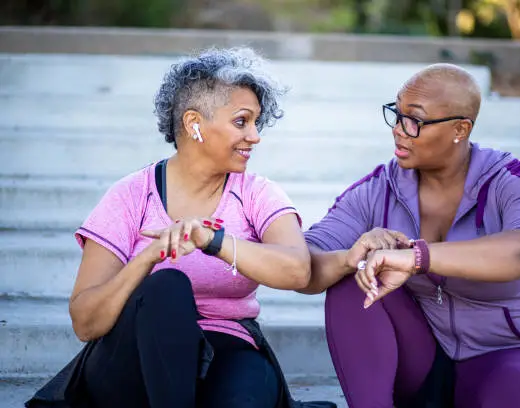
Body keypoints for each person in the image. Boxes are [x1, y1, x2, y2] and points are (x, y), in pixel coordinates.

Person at [26, 47, 335, 408]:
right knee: (168, 286)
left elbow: (298, 271)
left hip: (227, 345)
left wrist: (213, 240)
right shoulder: (130, 195)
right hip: (133, 359)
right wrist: (149, 259)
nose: (255, 136)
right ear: (193, 123)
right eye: (241, 121)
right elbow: (85, 322)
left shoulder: (258, 193)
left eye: (256, 122)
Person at [300, 63, 520, 408]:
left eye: (415, 121)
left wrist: (417, 258)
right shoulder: (379, 189)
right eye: (396, 114)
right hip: (422, 362)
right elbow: (303, 262)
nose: (398, 130)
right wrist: (346, 257)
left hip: (505, 359)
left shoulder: (509, 182)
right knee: (351, 280)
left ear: (460, 129)